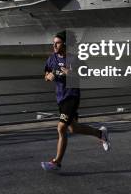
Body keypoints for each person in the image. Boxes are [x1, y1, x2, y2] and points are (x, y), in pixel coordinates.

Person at [41, 31, 110, 171]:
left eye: (58, 42)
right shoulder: (51, 59)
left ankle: (56, 162)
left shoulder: (75, 59)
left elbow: (87, 75)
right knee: (73, 128)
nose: (54, 45)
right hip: (60, 98)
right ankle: (100, 133)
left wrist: (71, 73)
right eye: (53, 42)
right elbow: (46, 74)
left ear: (65, 44)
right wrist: (49, 77)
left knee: (61, 128)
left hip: (72, 97)